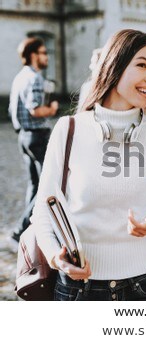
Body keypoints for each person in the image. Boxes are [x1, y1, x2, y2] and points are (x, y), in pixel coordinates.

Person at [32, 29, 146, 300]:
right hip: (78, 288)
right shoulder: (69, 129)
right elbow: (43, 208)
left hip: (143, 286)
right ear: (114, 65)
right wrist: (55, 257)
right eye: (142, 65)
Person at [8, 37, 59, 248]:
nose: (47, 56)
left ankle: (26, 232)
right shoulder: (35, 78)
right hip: (38, 135)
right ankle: (19, 233)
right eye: (43, 52)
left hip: (24, 136)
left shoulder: (19, 77)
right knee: (46, 187)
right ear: (32, 55)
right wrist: (53, 108)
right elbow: (36, 109)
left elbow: (12, 110)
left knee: (35, 184)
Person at [76, 47, 102, 113]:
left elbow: (81, 111)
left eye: (93, 63)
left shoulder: (89, 86)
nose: (90, 66)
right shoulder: (87, 86)